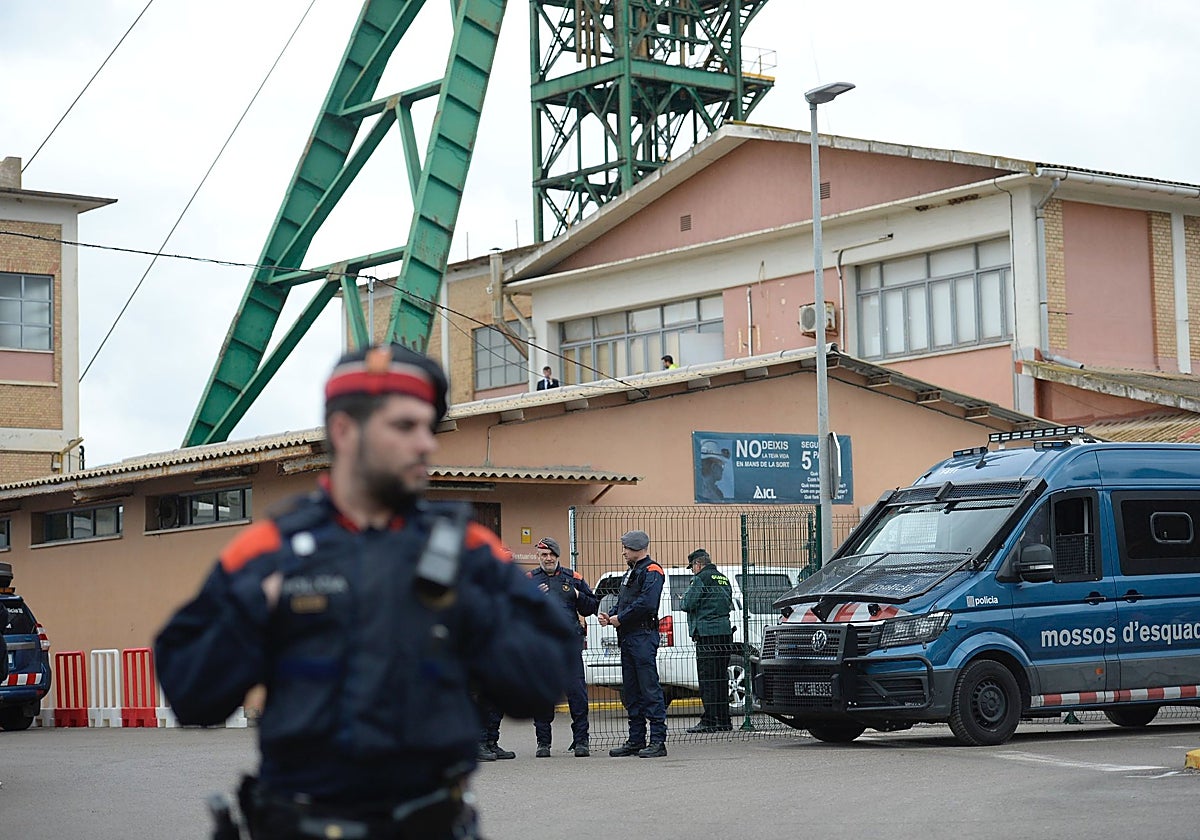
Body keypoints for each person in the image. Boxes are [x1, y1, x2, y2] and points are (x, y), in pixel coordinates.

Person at [154, 343, 575, 840]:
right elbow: (191, 693)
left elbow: (543, 680)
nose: (426, 444)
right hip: (300, 823)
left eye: (428, 427)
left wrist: (465, 609)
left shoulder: (466, 549)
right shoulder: (271, 549)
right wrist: (259, 607)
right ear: (344, 431)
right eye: (404, 426)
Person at [598, 530, 668, 758]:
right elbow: (624, 601)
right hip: (628, 637)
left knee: (649, 689)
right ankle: (636, 739)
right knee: (632, 691)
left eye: (626, 548)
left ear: (636, 548)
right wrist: (610, 615)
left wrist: (621, 618)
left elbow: (647, 604)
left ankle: (658, 741)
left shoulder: (652, 571)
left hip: (642, 636)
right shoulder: (632, 572)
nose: (623, 552)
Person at [527, 536, 598, 758]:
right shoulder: (529, 580)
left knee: (577, 695)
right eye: (543, 555)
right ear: (538, 557)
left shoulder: (573, 578)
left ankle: (581, 742)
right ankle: (543, 743)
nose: (547, 559)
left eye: (551, 555)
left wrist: (577, 595)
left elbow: (592, 606)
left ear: (558, 556)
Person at [680, 548, 734, 732]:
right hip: (724, 633)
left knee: (708, 679)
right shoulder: (723, 578)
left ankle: (709, 720)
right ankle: (724, 720)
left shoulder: (701, 578)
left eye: (692, 567)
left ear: (698, 564)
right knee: (720, 678)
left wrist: (683, 598)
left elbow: (687, 603)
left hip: (707, 635)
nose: (692, 570)